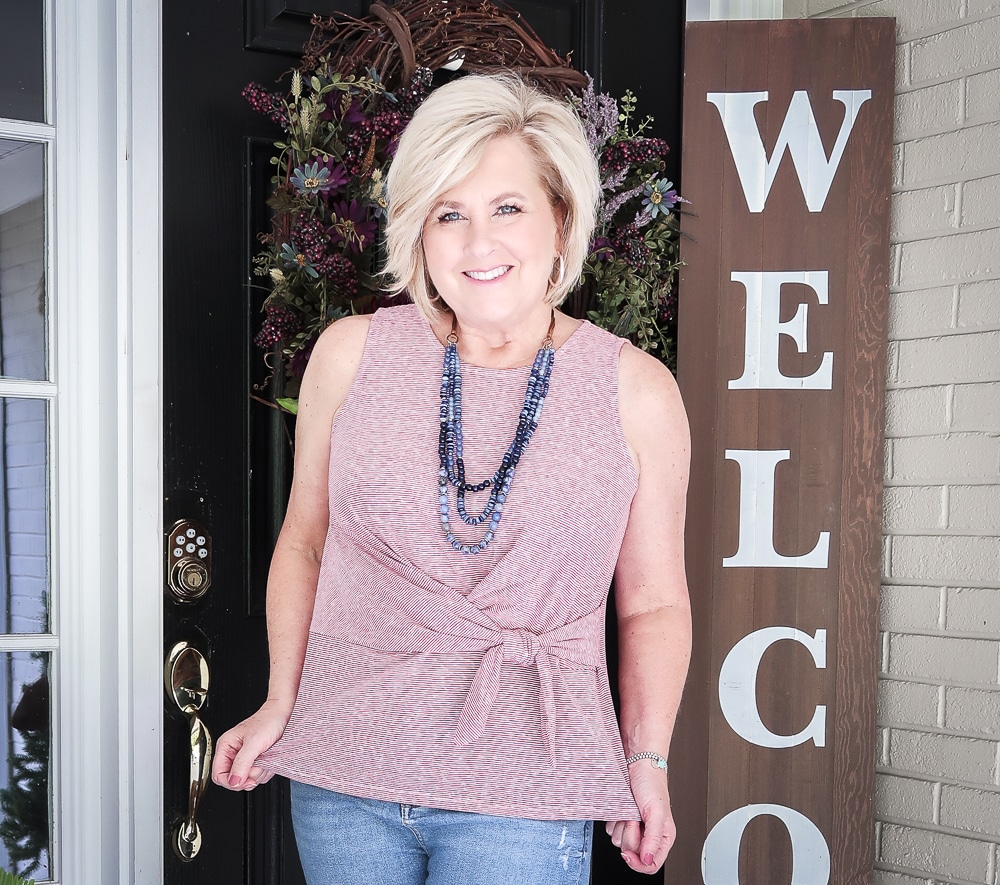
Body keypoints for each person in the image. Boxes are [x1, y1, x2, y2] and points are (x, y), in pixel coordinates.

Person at [211, 73, 692, 883]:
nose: (478, 243)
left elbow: (653, 602)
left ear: (560, 219)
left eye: (508, 208)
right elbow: (305, 543)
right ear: (419, 231)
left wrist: (647, 758)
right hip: (344, 775)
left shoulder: (635, 390)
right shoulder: (352, 354)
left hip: (526, 789)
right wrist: (280, 700)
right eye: (449, 213)